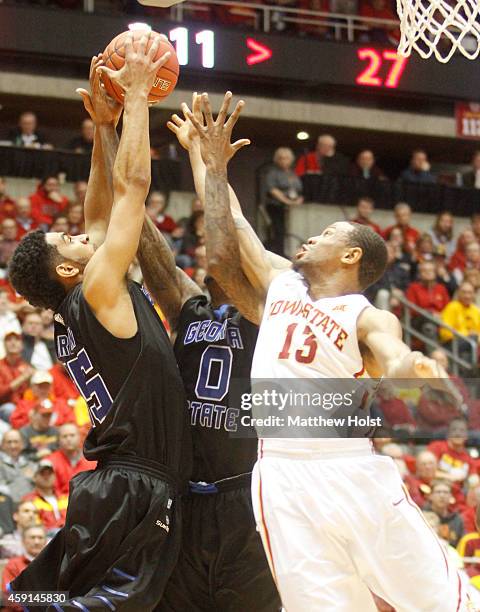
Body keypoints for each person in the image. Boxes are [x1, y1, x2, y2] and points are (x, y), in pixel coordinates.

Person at [185, 91, 471, 611]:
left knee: (440, 600)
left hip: (348, 466)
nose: (308, 240)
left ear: (351, 254)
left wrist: (412, 367)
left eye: (324, 234)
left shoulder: (366, 313)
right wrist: (206, 159)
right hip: (280, 474)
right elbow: (231, 220)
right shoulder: (281, 282)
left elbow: (394, 352)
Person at [7, 42, 191, 610]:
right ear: (67, 268)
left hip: (114, 483)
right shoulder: (98, 289)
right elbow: (131, 192)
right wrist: (136, 99)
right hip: (135, 487)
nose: (84, 235)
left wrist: (104, 129)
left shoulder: (79, 306)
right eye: (71, 241)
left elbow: (98, 214)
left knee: (40, 598)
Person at [135, 92, 279, 611]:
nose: (207, 246)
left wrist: (212, 168)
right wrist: (119, 142)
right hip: (184, 500)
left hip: (246, 500)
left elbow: (223, 253)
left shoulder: (268, 314)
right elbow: (148, 252)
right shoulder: (190, 308)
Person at [264, 146, 303, 256]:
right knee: (278, 231)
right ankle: (279, 253)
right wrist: (286, 201)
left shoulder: (292, 174)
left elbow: (299, 190)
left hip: (292, 208)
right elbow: (273, 190)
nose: (284, 161)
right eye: (281, 158)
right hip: (276, 206)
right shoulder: (273, 173)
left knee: (288, 231)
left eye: (286, 158)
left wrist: (299, 199)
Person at [2, 525, 48, 603]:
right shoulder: (13, 565)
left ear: (46, 541)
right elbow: (8, 596)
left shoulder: (53, 564)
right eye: (32, 537)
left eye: (40, 538)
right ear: (23, 541)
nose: (36, 542)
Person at [47, 423, 96, 496]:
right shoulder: (51, 461)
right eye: (64, 436)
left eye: (72, 435)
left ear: (80, 437)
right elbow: (50, 490)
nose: (68, 439)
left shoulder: (92, 460)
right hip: (61, 503)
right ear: (58, 440)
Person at [22, 460, 68, 535]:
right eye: (42, 473)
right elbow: (31, 525)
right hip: (43, 538)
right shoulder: (29, 500)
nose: (46, 477)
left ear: (55, 476)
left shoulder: (65, 498)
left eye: (49, 473)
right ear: (34, 477)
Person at [0, 430, 35, 504]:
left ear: (22, 444)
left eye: (16, 442)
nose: (13, 446)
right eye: (9, 442)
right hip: (6, 506)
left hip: (31, 505)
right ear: (2, 445)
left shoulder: (31, 465)